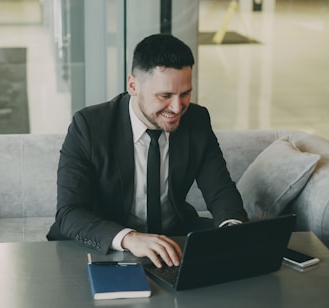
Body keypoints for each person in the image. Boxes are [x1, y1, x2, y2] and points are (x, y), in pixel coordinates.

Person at [47, 33, 248, 268]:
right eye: (165, 96)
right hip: (107, 245)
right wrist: (129, 238)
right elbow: (69, 213)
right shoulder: (89, 126)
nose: (177, 107)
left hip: (173, 240)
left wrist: (233, 233)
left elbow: (221, 191)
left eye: (185, 94)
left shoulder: (196, 119)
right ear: (133, 85)